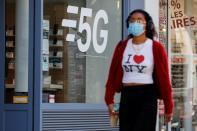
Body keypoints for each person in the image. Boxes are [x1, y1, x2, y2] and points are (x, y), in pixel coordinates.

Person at [105, 9, 174, 131]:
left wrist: (169, 107)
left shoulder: (156, 47)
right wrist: (109, 100)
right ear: (128, 24)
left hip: (147, 95)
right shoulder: (122, 46)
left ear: (146, 24)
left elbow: (164, 79)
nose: (135, 23)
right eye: (132, 20)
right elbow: (112, 73)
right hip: (127, 95)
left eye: (139, 20)